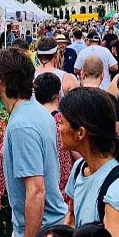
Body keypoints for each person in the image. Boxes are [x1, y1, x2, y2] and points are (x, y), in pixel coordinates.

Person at [44, 88, 119, 237]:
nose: (58, 128)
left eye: (61, 122)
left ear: (80, 133)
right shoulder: (80, 169)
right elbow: (71, 217)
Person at [0, 47, 68, 237]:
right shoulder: (37, 111)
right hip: (48, 226)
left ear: (2, 80)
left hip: (40, 232)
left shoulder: (21, 125)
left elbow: (35, 190)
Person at [34, 73, 75, 201]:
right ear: (58, 94)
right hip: (64, 193)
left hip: (39, 189)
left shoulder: (32, 122)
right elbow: (79, 154)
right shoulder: (65, 121)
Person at [81, 56, 119, 135]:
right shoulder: (110, 99)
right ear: (102, 75)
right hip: (103, 145)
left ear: (82, 73)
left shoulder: (70, 98)